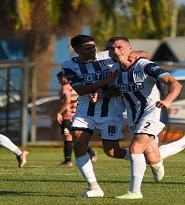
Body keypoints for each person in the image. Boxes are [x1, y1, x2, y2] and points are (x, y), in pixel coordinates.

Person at [107, 36, 185, 200]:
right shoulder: (115, 71)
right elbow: (117, 90)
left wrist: (167, 100)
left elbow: (175, 84)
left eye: (119, 47)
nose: (116, 51)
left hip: (154, 111)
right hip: (134, 115)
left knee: (135, 147)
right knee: (152, 157)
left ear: (129, 48)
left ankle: (135, 192)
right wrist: (100, 94)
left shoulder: (145, 66)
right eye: (112, 48)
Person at [61, 34, 145, 198]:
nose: (93, 50)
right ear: (77, 50)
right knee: (78, 143)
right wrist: (107, 79)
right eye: (88, 48)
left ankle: (142, 158)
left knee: (112, 152)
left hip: (111, 109)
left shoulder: (108, 55)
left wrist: (132, 55)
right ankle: (94, 188)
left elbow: (145, 54)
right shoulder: (69, 66)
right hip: (86, 109)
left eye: (94, 46)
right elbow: (81, 90)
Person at [55, 71, 97, 167]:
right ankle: (91, 152)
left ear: (64, 78)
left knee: (67, 137)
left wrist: (59, 112)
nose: (59, 82)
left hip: (68, 115)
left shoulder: (65, 88)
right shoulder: (74, 86)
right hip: (75, 115)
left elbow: (67, 100)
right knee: (75, 137)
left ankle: (68, 161)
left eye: (60, 79)